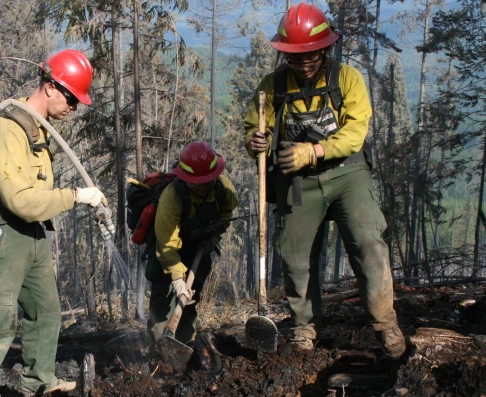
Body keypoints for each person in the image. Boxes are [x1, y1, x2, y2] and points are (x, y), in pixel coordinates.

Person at [243, 3, 405, 357]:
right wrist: (255, 140)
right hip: (298, 183)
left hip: (347, 174)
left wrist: (312, 152)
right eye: (296, 58)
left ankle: (385, 325)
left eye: (311, 56)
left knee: (366, 241)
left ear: (326, 49)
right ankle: (305, 329)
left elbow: (354, 134)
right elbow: (255, 126)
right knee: (295, 256)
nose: (304, 64)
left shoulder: (347, 79)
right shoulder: (271, 87)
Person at [0, 49, 107, 397]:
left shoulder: (38, 131)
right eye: (72, 98)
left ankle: (37, 381)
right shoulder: (8, 129)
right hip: (3, 233)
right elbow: (20, 200)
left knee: (45, 312)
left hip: (31, 235)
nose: (75, 108)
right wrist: (75, 196)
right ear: (49, 87)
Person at [146, 141, 238, 344]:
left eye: (208, 181)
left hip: (199, 248)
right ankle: (158, 345)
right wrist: (178, 279)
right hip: (166, 251)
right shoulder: (171, 198)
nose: (204, 186)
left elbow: (225, 213)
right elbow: (167, 245)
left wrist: (215, 236)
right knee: (163, 300)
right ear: (187, 179)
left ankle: (186, 343)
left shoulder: (223, 188)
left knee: (190, 299)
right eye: (198, 183)